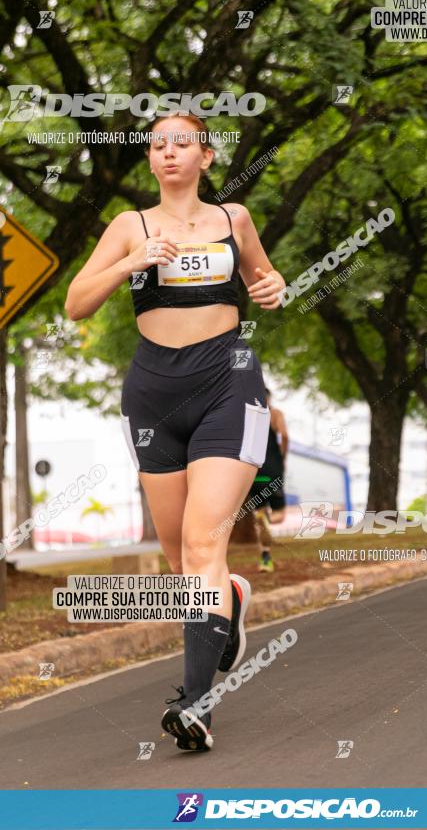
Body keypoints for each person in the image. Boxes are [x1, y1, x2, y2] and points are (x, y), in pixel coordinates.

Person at [65, 111, 285, 752]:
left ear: (206, 158)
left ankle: (196, 708)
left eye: (180, 143)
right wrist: (132, 260)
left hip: (228, 383)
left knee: (201, 548)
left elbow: (265, 282)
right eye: (156, 144)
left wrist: (273, 289)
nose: (166, 152)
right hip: (151, 393)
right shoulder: (129, 226)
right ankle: (230, 605)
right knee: (181, 563)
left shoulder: (232, 219)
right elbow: (77, 301)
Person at [248, 387, 288, 571]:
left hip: (254, 473)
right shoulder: (275, 414)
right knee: (279, 515)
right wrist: (283, 455)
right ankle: (267, 520)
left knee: (260, 516)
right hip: (273, 471)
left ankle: (265, 557)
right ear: (269, 398)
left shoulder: (248, 419)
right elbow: (285, 436)